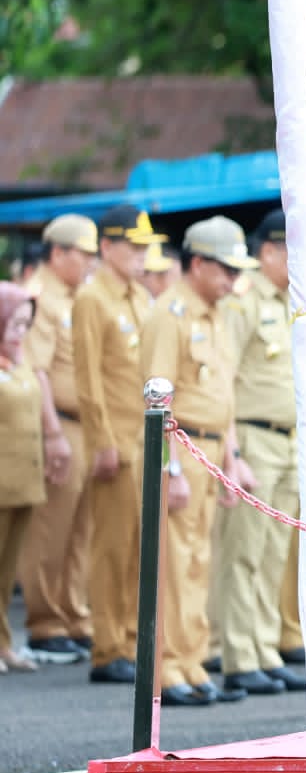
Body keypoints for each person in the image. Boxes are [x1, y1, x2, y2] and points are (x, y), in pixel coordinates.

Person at [142, 216, 258, 707]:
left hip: (209, 449)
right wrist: (168, 468)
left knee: (198, 562)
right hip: (180, 448)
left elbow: (222, 398)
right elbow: (156, 397)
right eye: (225, 269)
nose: (233, 279)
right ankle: (168, 669)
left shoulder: (216, 315)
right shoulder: (169, 314)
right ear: (197, 263)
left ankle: (191, 662)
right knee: (175, 563)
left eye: (236, 270)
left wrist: (231, 461)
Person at [213, 211, 306, 696]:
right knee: (243, 551)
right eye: (295, 248)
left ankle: (265, 649)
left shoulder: (293, 300)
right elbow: (222, 377)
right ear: (269, 251)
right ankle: (238, 654)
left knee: (273, 553)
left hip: (288, 439)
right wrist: (231, 449)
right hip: (253, 438)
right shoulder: (245, 300)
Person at [75, 204, 159, 685]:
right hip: (117, 444)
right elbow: (88, 378)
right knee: (111, 548)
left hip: (143, 444)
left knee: (138, 549)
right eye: (132, 246)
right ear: (106, 247)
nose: (141, 255)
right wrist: (101, 441)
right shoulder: (93, 298)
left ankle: (131, 638)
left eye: (145, 247)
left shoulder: (139, 297)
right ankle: (107, 647)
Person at [19, 215, 99, 665]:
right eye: (82, 254)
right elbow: (40, 370)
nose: (89, 262)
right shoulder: (42, 299)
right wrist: (52, 434)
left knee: (81, 528)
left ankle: (73, 615)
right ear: (57, 254)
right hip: (60, 424)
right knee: (51, 529)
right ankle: (46, 622)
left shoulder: (75, 297)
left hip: (82, 424)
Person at [0, 282, 45, 673]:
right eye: (13, 324)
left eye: (25, 325)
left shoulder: (21, 360)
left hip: (22, 482)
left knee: (6, 570)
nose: (19, 332)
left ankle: (4, 645)